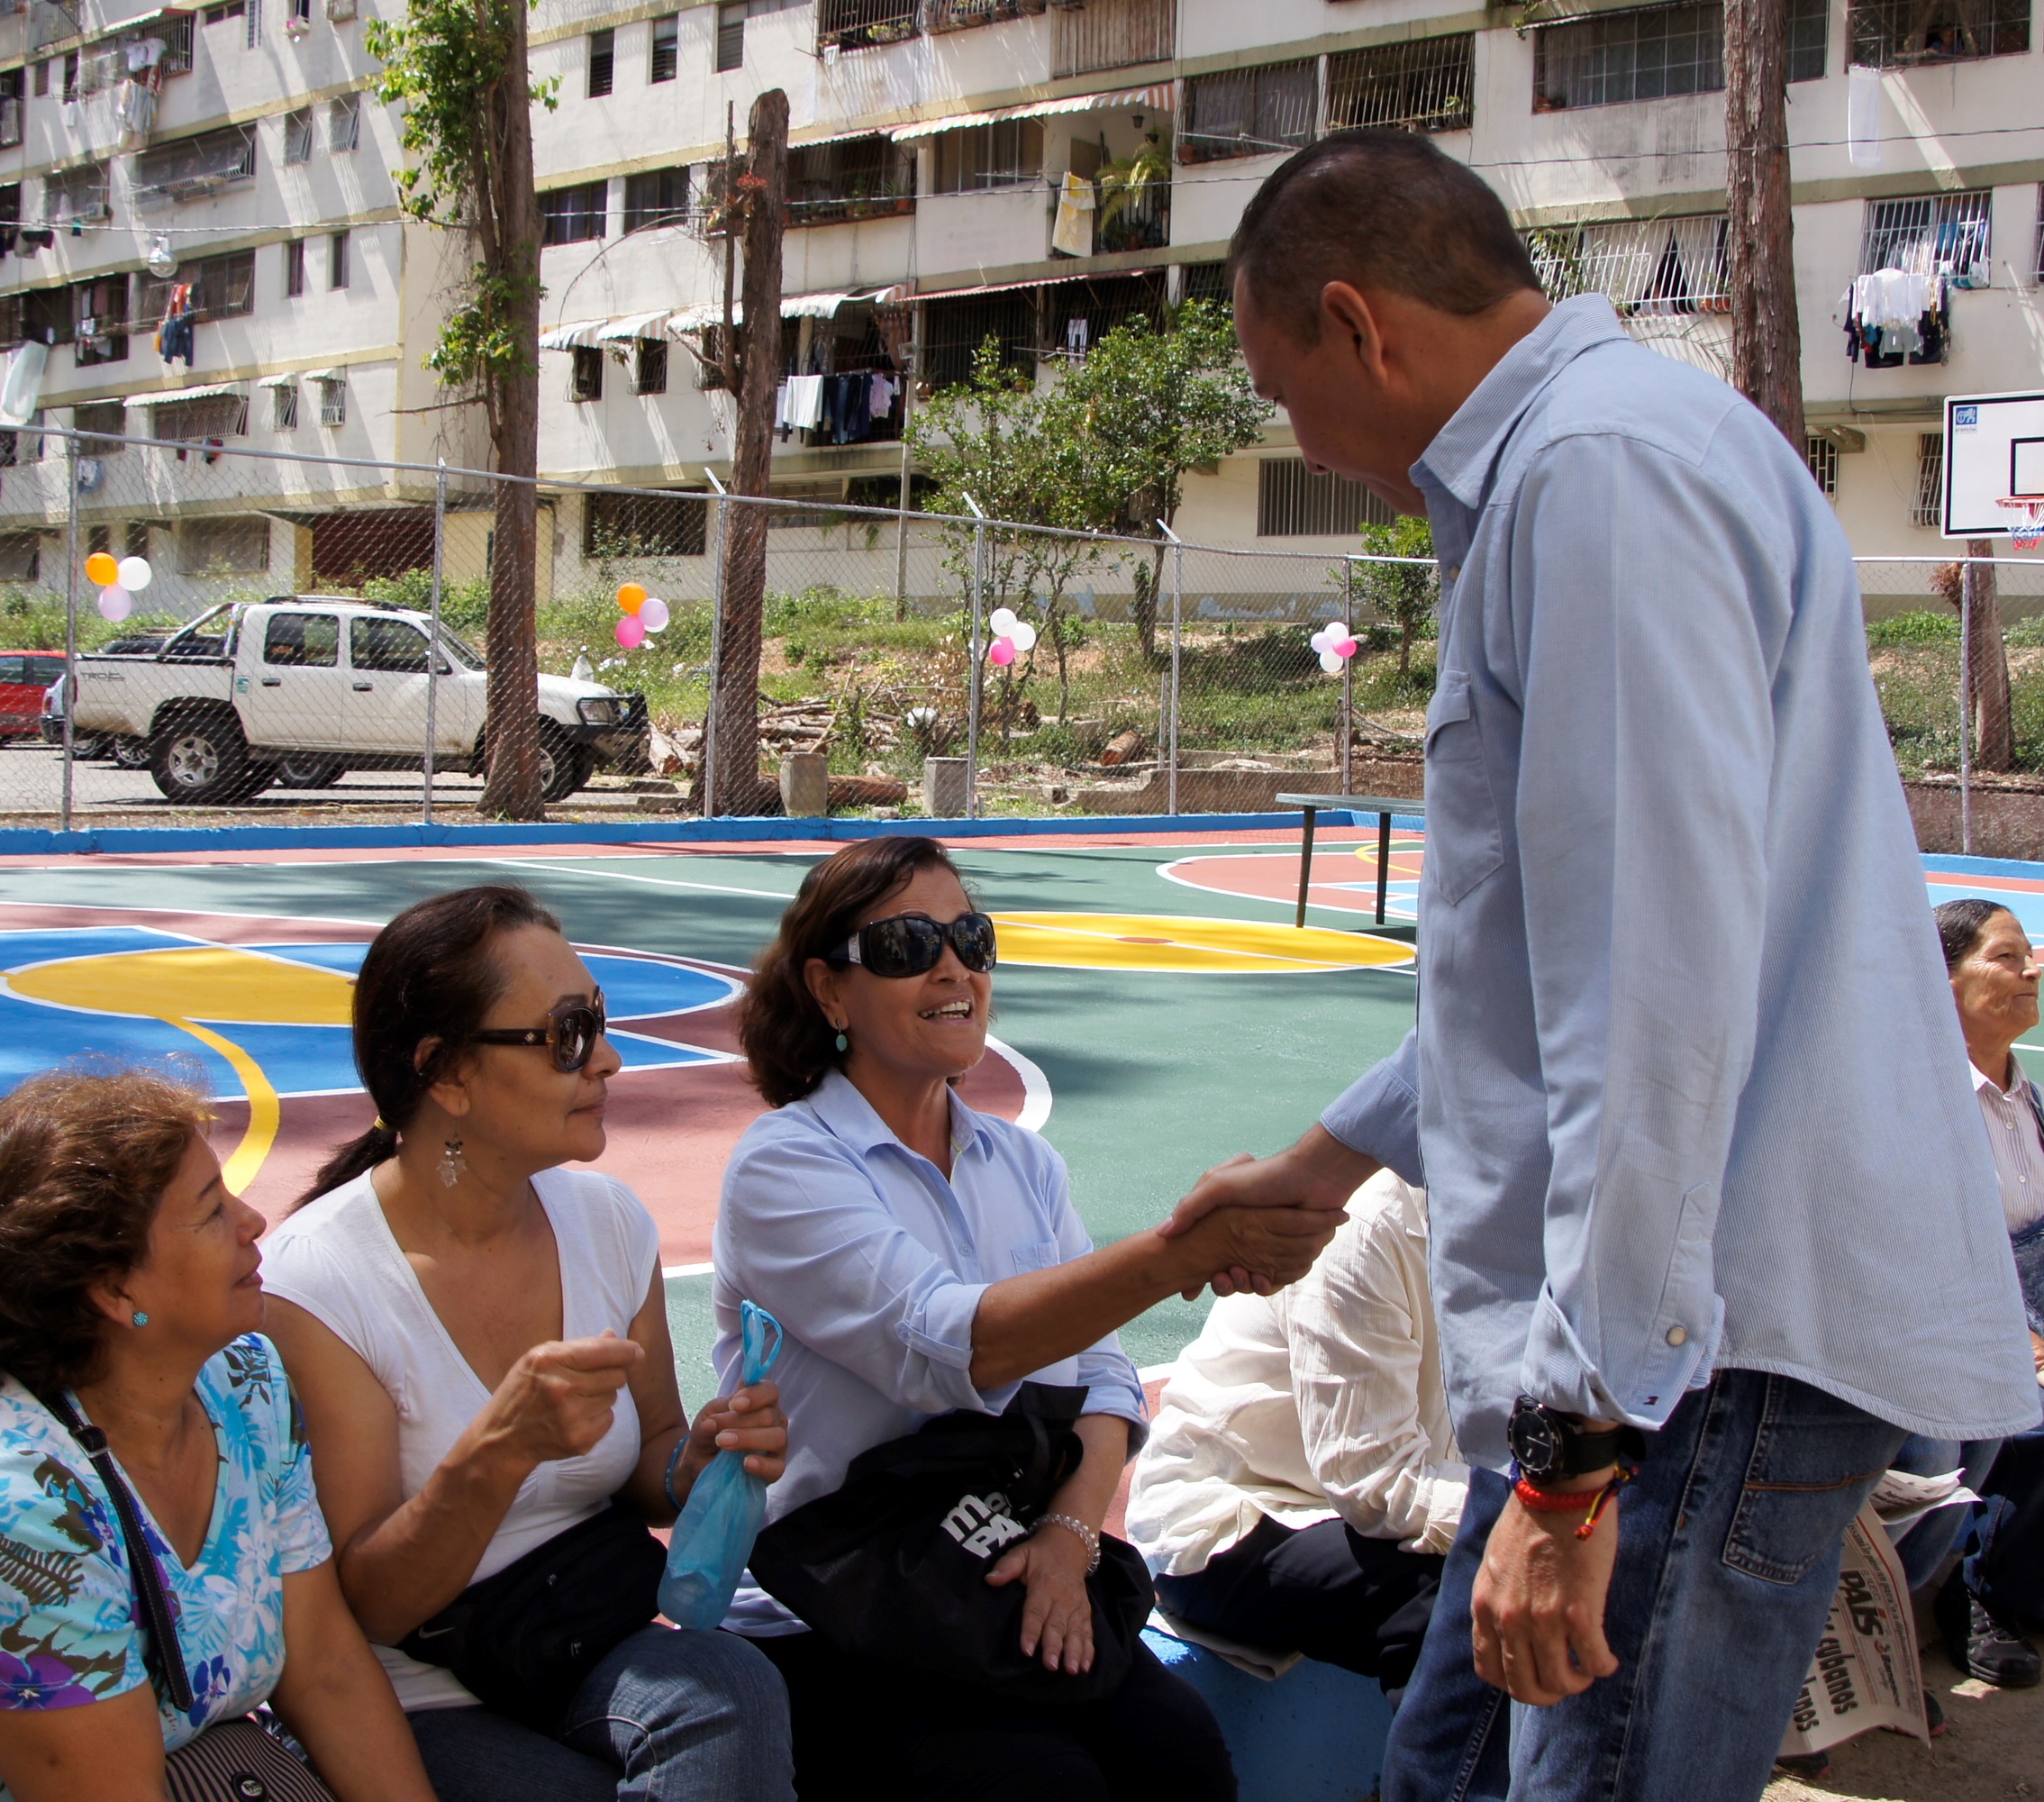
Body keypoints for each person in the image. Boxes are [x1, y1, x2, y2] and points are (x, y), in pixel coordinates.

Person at [1168, 128, 2039, 1802]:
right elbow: (1531, 975)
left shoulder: (1596, 478)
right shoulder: (1592, 461)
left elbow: (1649, 1012)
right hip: (1638, 1371)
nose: (1305, 444)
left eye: (1283, 395)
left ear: (1358, 324)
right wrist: (1323, 1161)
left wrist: (1569, 1482)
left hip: (1686, 1366)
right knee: (1449, 1777)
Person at [713, 833, 1345, 1802]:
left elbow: (1101, 1374)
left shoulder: (1022, 1164)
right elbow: (948, 1342)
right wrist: (1179, 1251)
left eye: (971, 935)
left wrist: (1065, 1535)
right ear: (828, 989)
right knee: (1033, 1782)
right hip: (832, 1600)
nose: (953, 964)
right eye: (906, 944)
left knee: (1179, 1751)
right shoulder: (785, 1166)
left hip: (988, 1562)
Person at [261, 884, 795, 1802]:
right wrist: (496, 1453)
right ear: (447, 1072)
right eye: (568, 1034)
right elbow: (367, 1607)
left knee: (735, 1683)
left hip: (581, 1636)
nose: (611, 1058)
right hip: (421, 1689)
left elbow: (651, 1458)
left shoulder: (608, 1220)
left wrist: (700, 1456)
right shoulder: (318, 1282)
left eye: (599, 1020)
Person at [0, 1067, 439, 1802]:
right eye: (210, 1210)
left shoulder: (243, 1381)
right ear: (114, 1289)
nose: (254, 1219)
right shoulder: (4, 1500)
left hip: (173, 1753)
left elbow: (325, 1668)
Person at [1127, 1169, 1464, 1706]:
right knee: (1453, 1603)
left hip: (1349, 1500)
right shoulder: (1366, 1228)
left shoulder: (1541, 1229)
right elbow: (1375, 1482)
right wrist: (1526, 1512)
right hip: (1235, 1516)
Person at [1918, 897, 2044, 1687]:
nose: (2031, 969)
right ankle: (1979, 1593)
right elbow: (1924, 1254)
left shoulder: (2025, 1103)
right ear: (1943, 978)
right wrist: (2019, 1337)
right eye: (2007, 956)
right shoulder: (1922, 1107)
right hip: (1956, 1315)